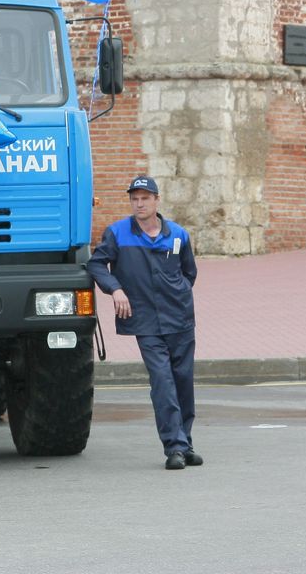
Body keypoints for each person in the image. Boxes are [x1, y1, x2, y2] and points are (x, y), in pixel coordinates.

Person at [88, 176, 202, 470]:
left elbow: (189, 274)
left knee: (183, 382)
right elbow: (96, 264)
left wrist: (175, 295)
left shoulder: (178, 235)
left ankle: (185, 442)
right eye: (134, 198)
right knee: (162, 382)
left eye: (144, 198)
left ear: (156, 200)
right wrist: (116, 290)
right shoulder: (117, 233)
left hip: (179, 319)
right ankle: (174, 447)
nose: (139, 203)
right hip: (145, 321)